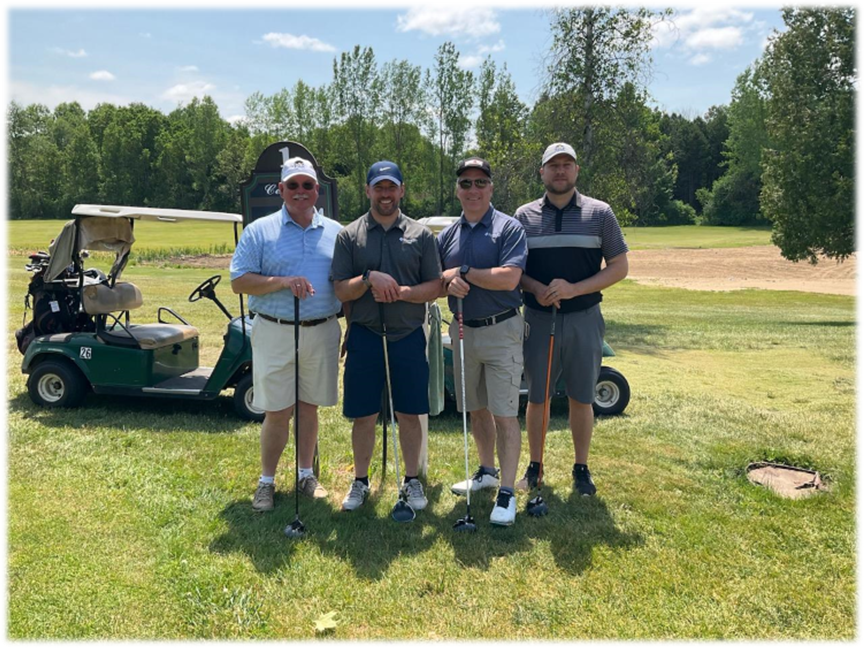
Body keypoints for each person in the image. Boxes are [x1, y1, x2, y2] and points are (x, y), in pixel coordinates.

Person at [513, 143, 629, 497]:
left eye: (567, 165)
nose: (560, 171)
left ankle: (581, 468)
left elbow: (619, 267)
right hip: (538, 316)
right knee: (538, 396)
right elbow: (514, 270)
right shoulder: (524, 216)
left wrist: (574, 289)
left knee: (581, 396)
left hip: (584, 318)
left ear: (576, 171)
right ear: (542, 173)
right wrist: (537, 288)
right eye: (553, 166)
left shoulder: (601, 213)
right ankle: (535, 467)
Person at [230, 157, 343, 512]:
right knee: (278, 410)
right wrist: (282, 282)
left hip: (322, 329)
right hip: (275, 330)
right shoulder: (259, 231)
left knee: (309, 407)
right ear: (280, 190)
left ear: (317, 191)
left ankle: (305, 474)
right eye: (292, 185)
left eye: (306, 185)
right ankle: (266, 481)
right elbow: (238, 280)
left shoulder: (336, 232)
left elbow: (344, 283)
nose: (300, 192)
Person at [331, 161, 442, 513]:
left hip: (407, 336)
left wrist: (403, 292)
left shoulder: (421, 235)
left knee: (409, 413)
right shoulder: (349, 236)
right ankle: (360, 481)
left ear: (401, 190)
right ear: (367, 191)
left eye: (391, 187)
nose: (385, 194)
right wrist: (367, 280)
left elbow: (435, 287)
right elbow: (340, 291)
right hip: (365, 336)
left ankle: (411, 481)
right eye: (378, 187)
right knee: (363, 414)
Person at [437, 157, 528, 526]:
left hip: (502, 329)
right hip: (462, 330)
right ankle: (487, 471)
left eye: (480, 182)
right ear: (457, 189)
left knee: (505, 413)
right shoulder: (447, 235)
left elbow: (509, 278)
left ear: (491, 188)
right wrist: (447, 278)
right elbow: (436, 276)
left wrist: (463, 273)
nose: (472, 189)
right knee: (475, 408)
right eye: (465, 183)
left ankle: (506, 491)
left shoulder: (509, 228)